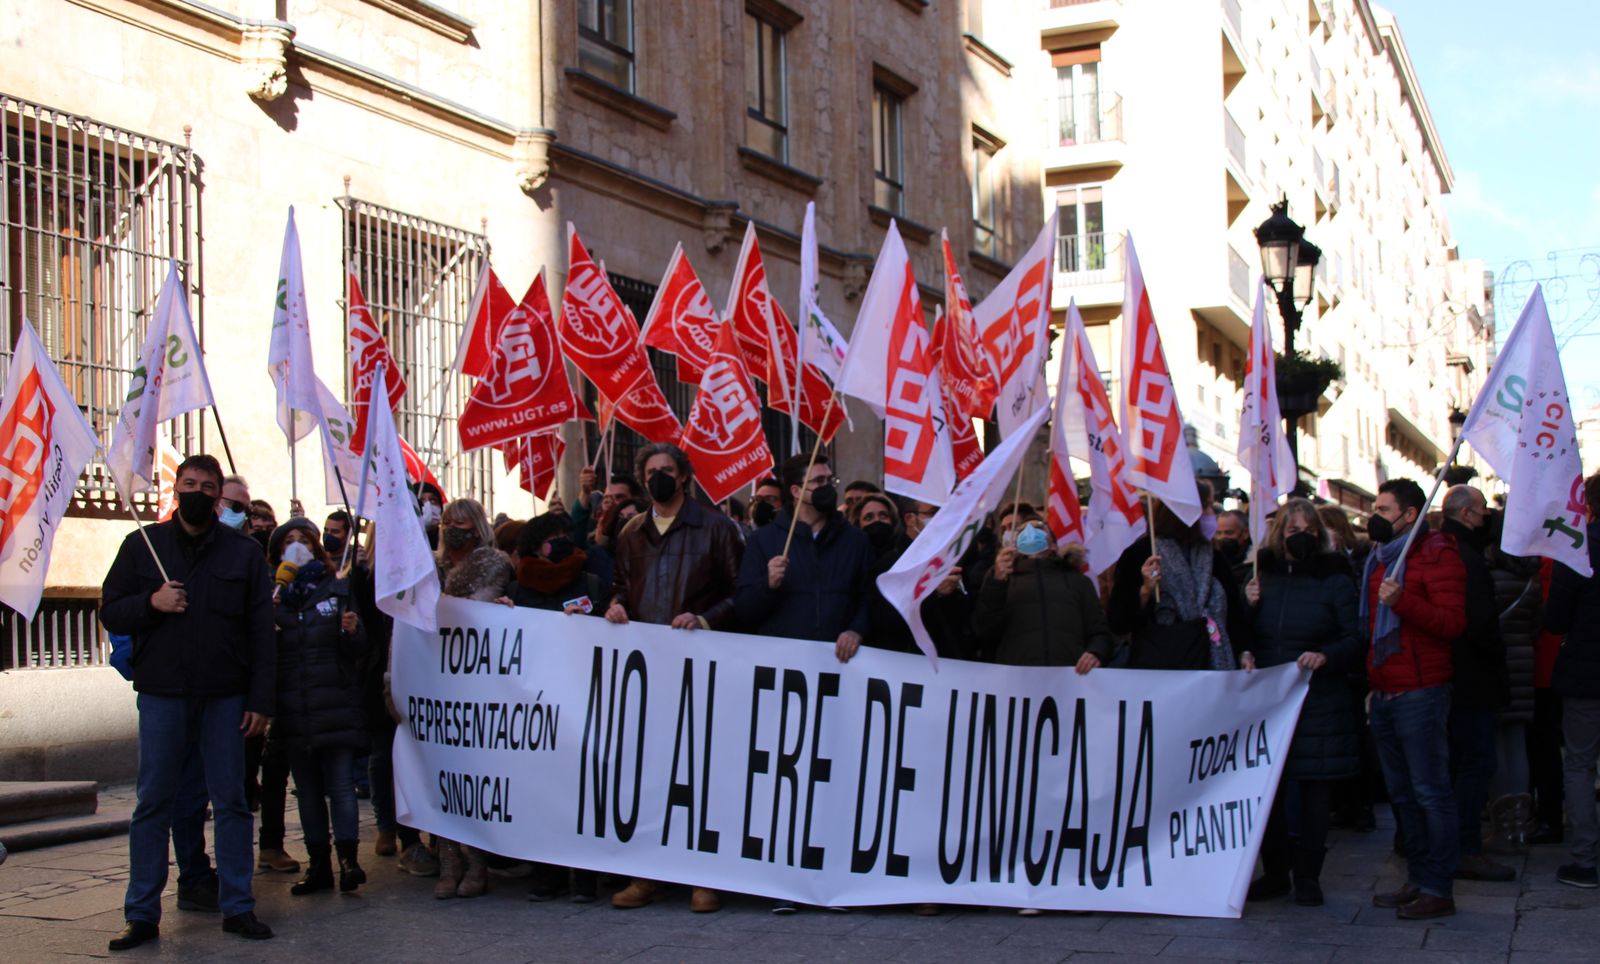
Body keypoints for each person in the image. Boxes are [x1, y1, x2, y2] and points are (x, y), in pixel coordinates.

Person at [100, 454, 276, 949]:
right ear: (176, 489)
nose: (197, 491)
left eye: (207, 486)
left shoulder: (241, 555)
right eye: (188, 483)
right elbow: (111, 609)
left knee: (232, 802)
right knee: (153, 802)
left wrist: (261, 699)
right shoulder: (142, 546)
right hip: (162, 694)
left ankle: (238, 906)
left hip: (225, 697)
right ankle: (141, 914)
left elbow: (262, 632)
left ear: (219, 496)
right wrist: (150, 604)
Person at [606, 442, 742, 914]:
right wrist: (617, 605)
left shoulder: (718, 529)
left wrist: (705, 621)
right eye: (651, 471)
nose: (658, 477)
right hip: (649, 672)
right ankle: (646, 874)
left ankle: (704, 875)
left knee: (701, 773)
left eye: (667, 470)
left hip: (703, 670)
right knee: (649, 773)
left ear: (683, 476)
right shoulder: (630, 533)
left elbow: (739, 595)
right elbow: (622, 587)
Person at [1241, 499, 1362, 907]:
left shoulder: (1336, 580)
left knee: (1313, 792)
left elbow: (1353, 638)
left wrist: (1325, 655)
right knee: (1267, 791)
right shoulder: (1262, 577)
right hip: (1269, 700)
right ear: (1280, 535)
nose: (1302, 538)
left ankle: (1308, 876)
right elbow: (1242, 633)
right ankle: (1275, 872)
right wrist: (1246, 634)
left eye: (1309, 532)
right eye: (1293, 532)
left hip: (1318, 700)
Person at [1361, 478, 1468, 919]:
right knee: (1403, 795)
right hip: (1386, 692)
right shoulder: (1379, 558)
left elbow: (1452, 623)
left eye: (1384, 510)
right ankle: (1418, 877)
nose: (1376, 517)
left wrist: (1403, 601)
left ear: (1409, 515)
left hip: (1421, 692)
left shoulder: (1438, 553)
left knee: (1430, 793)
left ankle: (1438, 887)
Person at [264, 519, 369, 895]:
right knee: (307, 790)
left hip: (334, 702)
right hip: (294, 707)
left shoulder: (336, 588)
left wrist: (351, 630)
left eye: (303, 540)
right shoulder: (272, 596)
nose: (296, 546)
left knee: (340, 785)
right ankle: (319, 866)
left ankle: (349, 861)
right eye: (288, 541)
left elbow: (358, 651)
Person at [507, 513, 604, 903]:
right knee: (542, 792)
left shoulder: (590, 581)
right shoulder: (518, 590)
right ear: (534, 547)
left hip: (581, 699)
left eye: (566, 535)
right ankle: (546, 873)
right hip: (534, 706)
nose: (562, 543)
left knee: (580, 789)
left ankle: (584, 877)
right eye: (553, 538)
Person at [432, 498, 512, 900]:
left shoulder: (492, 566)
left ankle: (477, 864)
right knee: (439, 777)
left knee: (471, 779)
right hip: (436, 684)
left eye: (461, 522)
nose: (452, 528)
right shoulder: (429, 568)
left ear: (477, 526)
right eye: (447, 522)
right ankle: (448, 862)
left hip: (475, 688)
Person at [1439, 485, 1516, 882]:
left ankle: (1452, 844)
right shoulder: (1464, 556)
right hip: (1470, 678)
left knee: (1455, 764)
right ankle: (1464, 846)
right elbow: (1480, 624)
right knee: (1473, 764)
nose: (1488, 517)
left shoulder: (1444, 549)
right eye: (1484, 510)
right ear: (1467, 514)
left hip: (1451, 675)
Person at [1108, 484, 1253, 671]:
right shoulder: (1141, 554)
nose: (1211, 514)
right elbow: (1118, 622)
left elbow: (1234, 613)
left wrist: (1244, 651)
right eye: (1207, 506)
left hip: (1209, 666)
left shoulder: (1214, 557)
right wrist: (1145, 592)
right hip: (1159, 669)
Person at [1545, 472, 1600, 888]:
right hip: (1586, 673)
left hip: (1586, 674)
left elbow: (1556, 619)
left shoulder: (1578, 549)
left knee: (1579, 765)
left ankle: (1585, 860)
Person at [972, 511, 1110, 672]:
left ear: (1053, 545)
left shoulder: (1078, 582)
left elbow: (1100, 632)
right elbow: (984, 629)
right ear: (1015, 546)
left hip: (1070, 679)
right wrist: (996, 582)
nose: (1030, 532)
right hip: (1017, 682)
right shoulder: (1003, 579)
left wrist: (1096, 652)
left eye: (1038, 527)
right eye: (1022, 531)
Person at [1483, 510, 1541, 853]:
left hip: (1496, 664)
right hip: (1524, 662)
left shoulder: (1488, 574)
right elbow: (1537, 624)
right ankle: (1521, 825)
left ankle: (1502, 826)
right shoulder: (1531, 576)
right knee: (1517, 740)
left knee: (1494, 742)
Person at [1214, 508, 1253, 583]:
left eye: (1229, 533)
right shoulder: (1213, 562)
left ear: (1245, 533)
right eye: (1218, 533)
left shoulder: (1254, 566)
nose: (1222, 537)